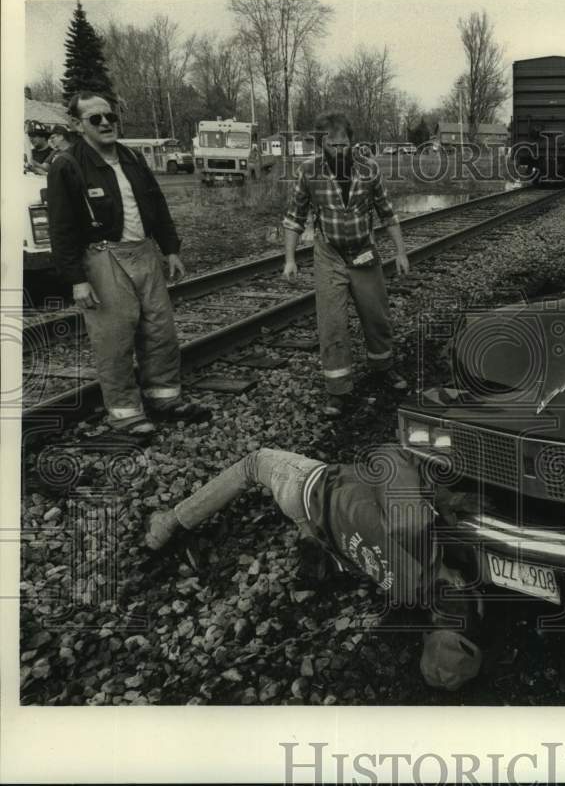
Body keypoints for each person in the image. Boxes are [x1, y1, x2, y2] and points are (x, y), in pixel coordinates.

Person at [144, 444, 485, 691]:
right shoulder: (407, 594)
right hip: (318, 526)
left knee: (253, 463)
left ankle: (169, 522)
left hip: (307, 485)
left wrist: (422, 474)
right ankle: (311, 544)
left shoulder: (417, 536)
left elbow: (386, 456)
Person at [46, 91, 210, 438]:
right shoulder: (68, 165)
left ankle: (164, 397)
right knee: (114, 338)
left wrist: (171, 249)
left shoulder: (132, 158)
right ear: (77, 125)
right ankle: (125, 413)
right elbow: (61, 229)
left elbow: (157, 204)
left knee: (159, 330)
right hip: (103, 257)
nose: (106, 123)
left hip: (145, 253)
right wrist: (77, 279)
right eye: (95, 119)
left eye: (110, 116)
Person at [282, 111, 409, 418]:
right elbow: (294, 218)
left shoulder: (369, 169)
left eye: (343, 144)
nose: (338, 150)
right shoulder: (308, 171)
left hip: (364, 253)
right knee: (332, 322)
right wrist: (289, 259)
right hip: (329, 255)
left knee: (376, 316)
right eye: (331, 144)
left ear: (352, 142)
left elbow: (387, 213)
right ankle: (338, 390)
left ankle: (383, 368)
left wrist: (401, 252)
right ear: (321, 144)